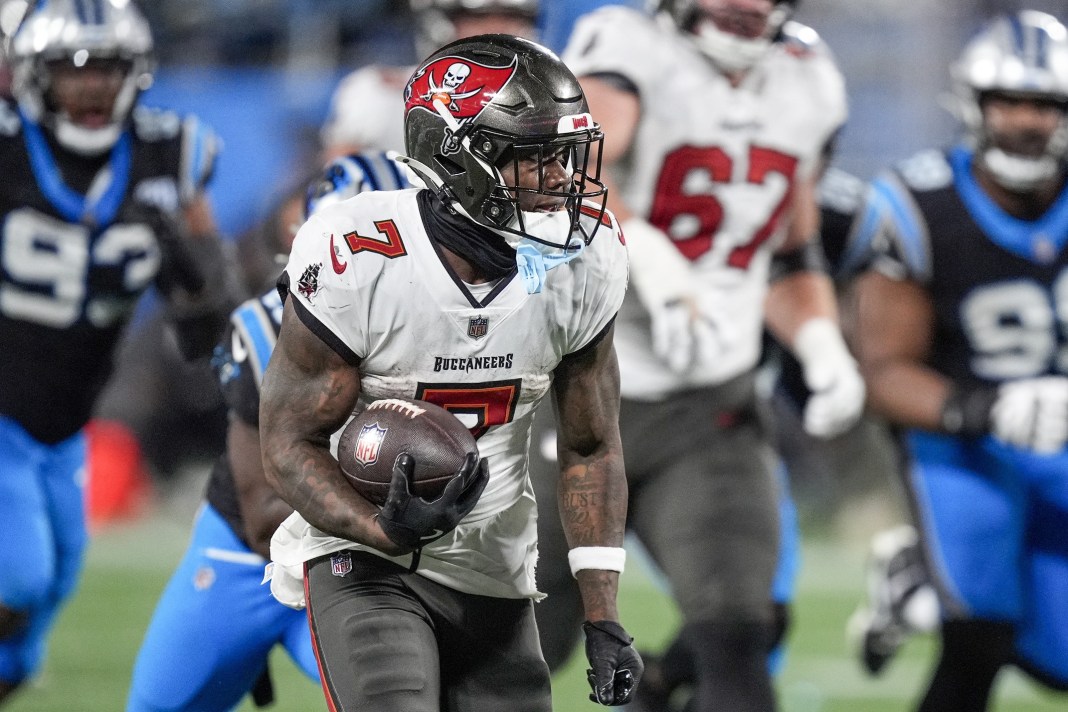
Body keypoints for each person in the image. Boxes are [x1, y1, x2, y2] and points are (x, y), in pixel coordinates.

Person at [259, 34, 643, 710]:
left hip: (492, 568)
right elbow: (288, 444)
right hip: (365, 556)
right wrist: (382, 528)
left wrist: (602, 611)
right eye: (534, 157)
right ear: (457, 161)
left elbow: (591, 445)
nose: (560, 177)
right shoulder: (359, 253)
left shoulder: (586, 262)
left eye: (565, 153)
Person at [535, 2, 866, 710]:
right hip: (574, 398)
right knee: (530, 639)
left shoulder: (808, 81)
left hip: (707, 408)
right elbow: (560, 167)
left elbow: (786, 251)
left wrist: (818, 337)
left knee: (741, 634)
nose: (745, 6)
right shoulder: (627, 45)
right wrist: (642, 249)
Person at [0, 0, 232, 704]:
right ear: (33, 77)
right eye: (72, 72)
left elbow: (206, 322)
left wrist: (192, 276)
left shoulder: (174, 154)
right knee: (20, 575)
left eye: (105, 68)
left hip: (65, 423)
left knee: (45, 599)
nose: (91, 87)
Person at [125, 151, 411, 712]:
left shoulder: (453, 336)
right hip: (246, 563)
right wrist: (398, 523)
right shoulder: (264, 329)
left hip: (362, 563)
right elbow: (262, 517)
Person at [851, 9, 1068, 710]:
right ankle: (933, 581)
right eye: (1009, 101)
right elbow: (882, 371)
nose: (1026, 122)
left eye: (1045, 104)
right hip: (960, 438)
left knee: (1057, 660)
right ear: (974, 106)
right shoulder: (922, 202)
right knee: (980, 633)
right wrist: (990, 407)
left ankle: (917, 579)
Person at [319, 0, 539, 159]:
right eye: (478, 18)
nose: (496, 30)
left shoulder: (547, 95)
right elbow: (339, 183)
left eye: (511, 17)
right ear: (438, 22)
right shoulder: (381, 92)